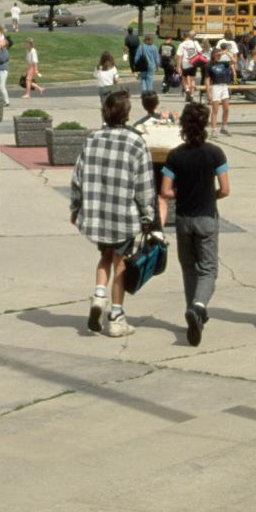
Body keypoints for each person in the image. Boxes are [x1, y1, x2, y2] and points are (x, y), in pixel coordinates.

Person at [70, 90, 155, 338]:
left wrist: (76, 208)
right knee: (121, 262)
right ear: (127, 113)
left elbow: (77, 178)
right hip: (123, 215)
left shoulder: (92, 139)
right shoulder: (135, 142)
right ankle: (116, 315)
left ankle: (99, 296)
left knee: (105, 257)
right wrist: (148, 215)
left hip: (98, 213)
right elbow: (144, 185)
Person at [159, 102, 230, 346]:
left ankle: (193, 311)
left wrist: (183, 193)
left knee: (189, 268)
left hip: (184, 219)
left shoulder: (175, 155)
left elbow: (165, 191)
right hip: (207, 217)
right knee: (208, 269)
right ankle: (199, 307)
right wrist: (211, 195)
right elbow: (226, 189)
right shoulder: (215, 153)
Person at [132, 91, 177, 229]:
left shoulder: (138, 125)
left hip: (149, 164)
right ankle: (160, 227)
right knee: (162, 197)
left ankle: (149, 222)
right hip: (167, 164)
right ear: (157, 103)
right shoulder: (167, 120)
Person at [205, 44, 234, 137]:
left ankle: (224, 127)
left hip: (224, 86)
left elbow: (234, 61)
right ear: (213, 55)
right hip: (216, 86)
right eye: (217, 54)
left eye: (219, 54)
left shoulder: (224, 63)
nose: (219, 56)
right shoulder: (209, 65)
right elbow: (207, 79)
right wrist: (208, 92)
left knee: (226, 108)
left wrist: (226, 52)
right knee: (215, 109)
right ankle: (214, 129)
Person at [176, 32, 203, 102]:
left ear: (183, 37)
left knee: (184, 79)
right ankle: (192, 95)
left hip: (185, 63)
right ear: (190, 36)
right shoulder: (195, 43)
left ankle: (187, 90)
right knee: (192, 79)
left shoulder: (182, 44)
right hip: (193, 62)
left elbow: (179, 56)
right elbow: (200, 51)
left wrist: (178, 66)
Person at [0, 37, 11, 106]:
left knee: (1, 86)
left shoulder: (5, 51)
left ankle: (7, 101)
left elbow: (2, 59)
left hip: (2, 70)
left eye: (2, 41)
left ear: (5, 44)